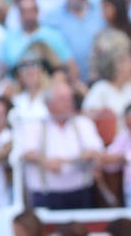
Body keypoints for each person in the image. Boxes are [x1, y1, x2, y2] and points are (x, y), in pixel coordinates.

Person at [18, 81, 104, 209]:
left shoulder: (83, 123)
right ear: (49, 104)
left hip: (81, 192)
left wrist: (83, 157)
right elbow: (25, 152)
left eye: (70, 98)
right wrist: (45, 161)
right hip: (46, 194)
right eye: (63, 99)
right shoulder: (34, 125)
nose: (69, 103)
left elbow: (97, 150)